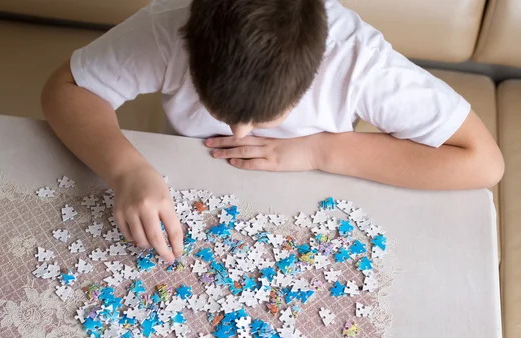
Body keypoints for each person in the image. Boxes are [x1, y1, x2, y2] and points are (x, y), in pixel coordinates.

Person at [41, 0, 504, 263]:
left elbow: (482, 160)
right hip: (186, 185)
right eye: (215, 107)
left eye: (261, 119)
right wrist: (125, 170)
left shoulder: (359, 61)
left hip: (310, 203)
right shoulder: (171, 25)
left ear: (314, 75)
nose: (239, 130)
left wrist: (322, 151)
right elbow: (64, 87)